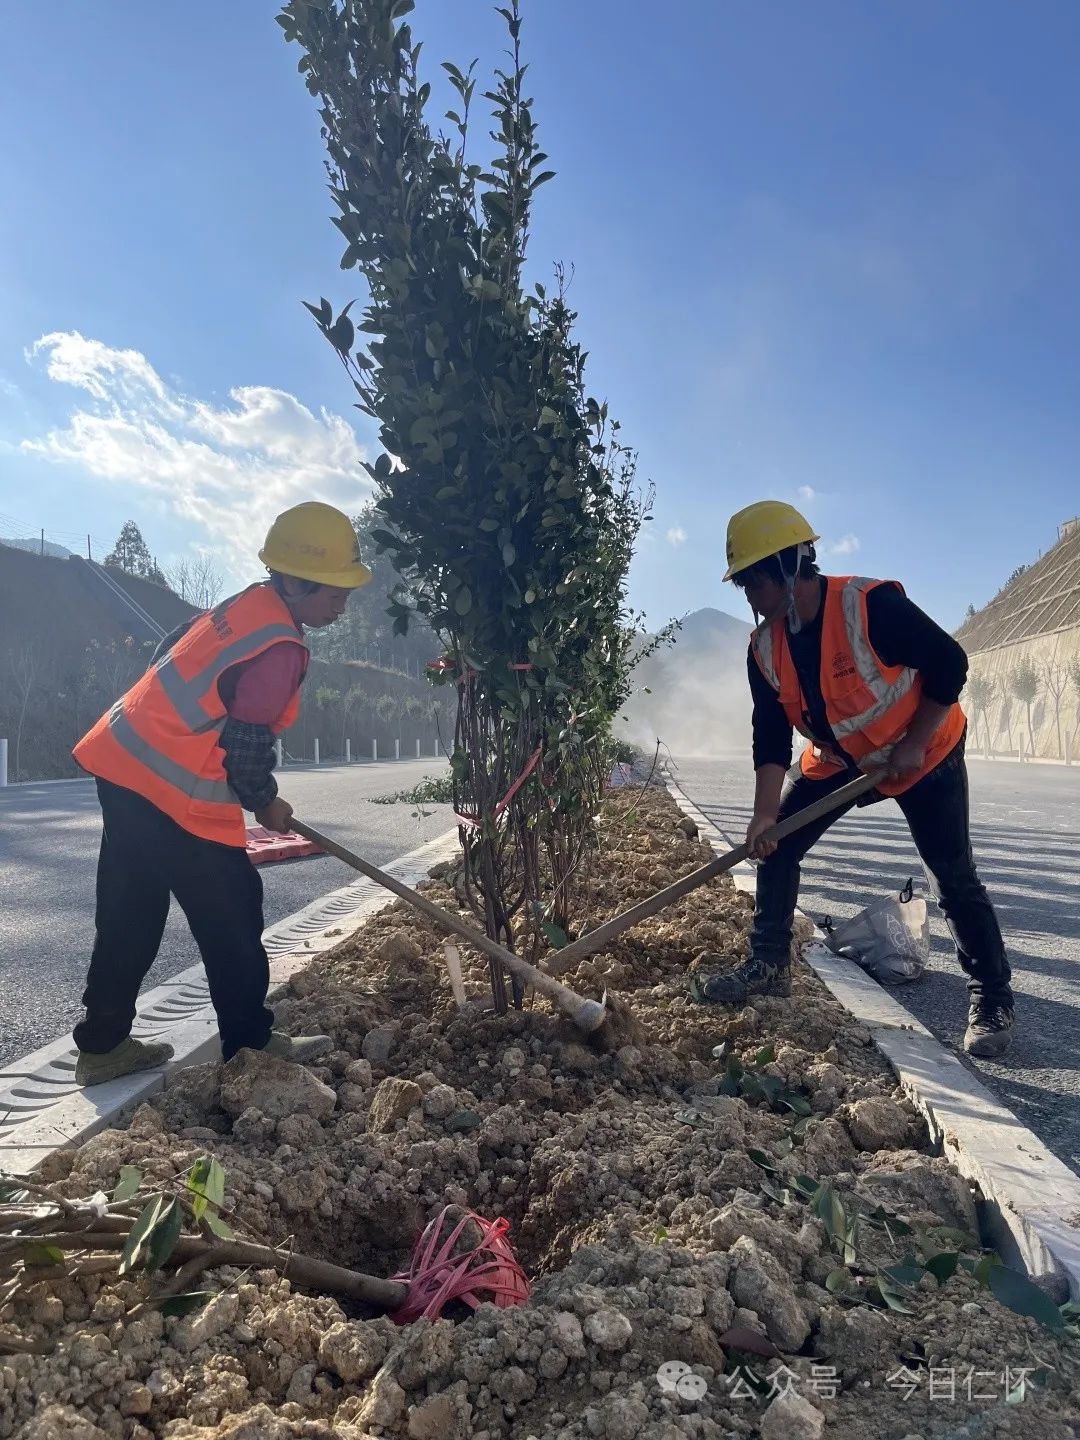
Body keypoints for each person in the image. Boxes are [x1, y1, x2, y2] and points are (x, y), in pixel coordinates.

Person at [694, 501, 1013, 1058]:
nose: (748, 594)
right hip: (844, 763)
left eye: (753, 580)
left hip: (926, 753)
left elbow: (950, 663)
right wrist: (765, 815)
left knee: (953, 876)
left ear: (790, 567)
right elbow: (770, 735)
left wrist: (913, 744)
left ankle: (992, 996)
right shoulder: (764, 649)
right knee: (778, 845)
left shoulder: (869, 607)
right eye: (742, 583)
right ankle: (768, 964)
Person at [70, 502, 372, 1085]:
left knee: (130, 910)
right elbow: (247, 738)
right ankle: (250, 1046)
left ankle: (103, 1046)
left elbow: (169, 651)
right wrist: (264, 801)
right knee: (231, 912)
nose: (343, 603)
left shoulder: (242, 606)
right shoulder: (280, 646)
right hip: (172, 791)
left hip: (122, 762)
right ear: (296, 580)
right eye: (336, 590)